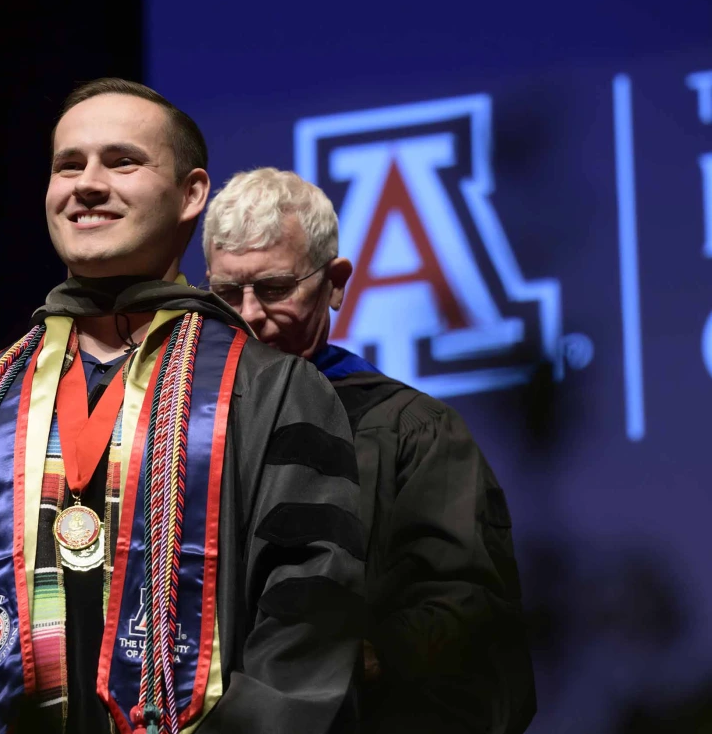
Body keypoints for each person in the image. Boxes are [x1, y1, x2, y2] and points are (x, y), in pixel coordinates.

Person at [0, 84, 364, 734]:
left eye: (122, 161)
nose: (88, 185)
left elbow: (304, 643)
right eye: (68, 165)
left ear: (191, 194)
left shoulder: (275, 395)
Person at [202, 167, 536, 734]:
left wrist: (342, 663)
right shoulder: (182, 432)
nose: (250, 315)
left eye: (275, 289)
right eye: (227, 294)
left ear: (335, 282)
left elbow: (469, 623)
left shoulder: (412, 432)